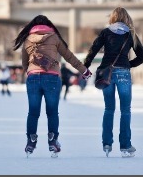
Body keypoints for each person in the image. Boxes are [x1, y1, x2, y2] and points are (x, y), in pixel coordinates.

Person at [15, 15, 90, 157]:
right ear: (48, 25)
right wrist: (83, 70)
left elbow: (25, 63)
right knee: (52, 112)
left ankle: (31, 140)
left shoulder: (27, 40)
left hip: (33, 79)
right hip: (52, 78)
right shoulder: (54, 37)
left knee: (33, 112)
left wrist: (31, 72)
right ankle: (52, 141)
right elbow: (69, 56)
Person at [84, 7, 143, 158]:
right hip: (123, 74)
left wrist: (85, 66)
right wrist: (127, 65)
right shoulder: (131, 34)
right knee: (125, 110)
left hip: (107, 74)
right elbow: (142, 57)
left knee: (109, 109)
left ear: (112, 18)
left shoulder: (105, 32)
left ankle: (107, 143)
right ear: (126, 18)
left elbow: (93, 50)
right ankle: (125, 146)